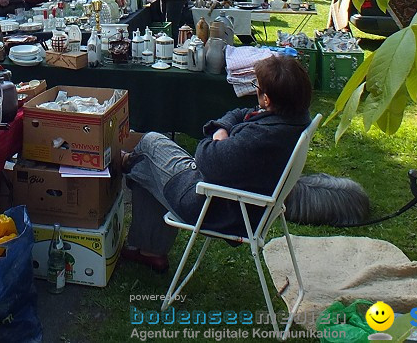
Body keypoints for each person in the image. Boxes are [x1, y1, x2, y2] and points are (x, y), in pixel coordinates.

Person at [121, 55, 312, 273]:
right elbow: (242, 113)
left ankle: (125, 163)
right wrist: (222, 129)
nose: (254, 91)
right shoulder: (291, 117)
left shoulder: (259, 139)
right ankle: (151, 252)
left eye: (255, 86)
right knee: (145, 167)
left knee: (151, 142)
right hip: (236, 201)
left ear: (267, 99)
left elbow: (205, 158)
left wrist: (218, 139)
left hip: (213, 206)